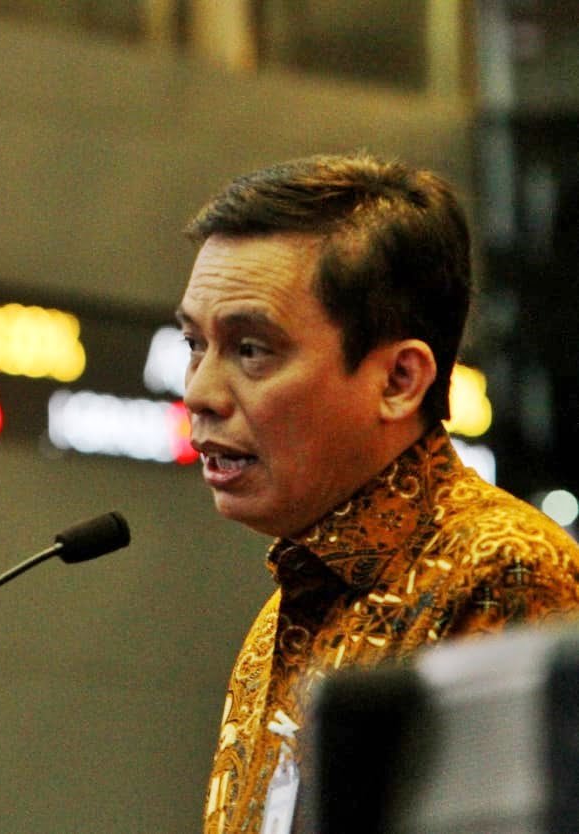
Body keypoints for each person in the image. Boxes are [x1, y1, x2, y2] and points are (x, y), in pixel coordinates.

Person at [175, 152, 579, 834]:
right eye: (194, 343)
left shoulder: (508, 571)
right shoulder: (277, 625)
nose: (200, 392)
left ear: (399, 380)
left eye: (250, 350)